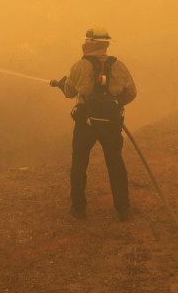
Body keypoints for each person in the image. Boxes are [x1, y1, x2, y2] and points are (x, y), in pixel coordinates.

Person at [50, 25, 137, 221]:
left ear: (90, 43)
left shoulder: (79, 66)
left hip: (85, 124)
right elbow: (132, 92)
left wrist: (62, 85)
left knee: (79, 164)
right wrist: (114, 105)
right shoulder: (120, 66)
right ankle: (123, 210)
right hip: (111, 124)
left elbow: (70, 92)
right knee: (115, 165)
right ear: (105, 44)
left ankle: (78, 209)